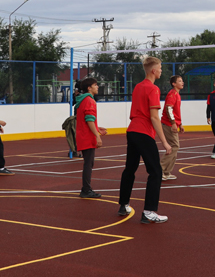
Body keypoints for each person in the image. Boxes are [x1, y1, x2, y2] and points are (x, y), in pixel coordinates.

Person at [118, 56, 172, 224]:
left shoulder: (138, 87)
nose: (161, 71)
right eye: (160, 68)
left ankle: (123, 205)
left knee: (130, 169)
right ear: (153, 71)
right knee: (155, 172)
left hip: (132, 131)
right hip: (143, 133)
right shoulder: (153, 89)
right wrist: (164, 141)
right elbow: (154, 117)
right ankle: (149, 211)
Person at [75, 77, 107, 198]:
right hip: (87, 137)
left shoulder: (83, 100)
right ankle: (86, 189)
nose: (97, 86)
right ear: (89, 88)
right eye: (95, 85)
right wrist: (97, 136)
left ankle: (86, 189)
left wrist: (98, 128)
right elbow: (89, 120)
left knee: (88, 163)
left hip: (83, 135)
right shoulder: (89, 101)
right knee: (88, 164)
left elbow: (88, 119)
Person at [161, 75, 185, 181]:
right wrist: (173, 123)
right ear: (174, 84)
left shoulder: (177, 94)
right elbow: (168, 109)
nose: (182, 82)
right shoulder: (172, 94)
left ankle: (166, 172)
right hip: (168, 125)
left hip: (172, 124)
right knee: (174, 146)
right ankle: (160, 169)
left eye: (182, 81)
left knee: (174, 147)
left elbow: (176, 112)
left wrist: (180, 124)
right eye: (179, 81)